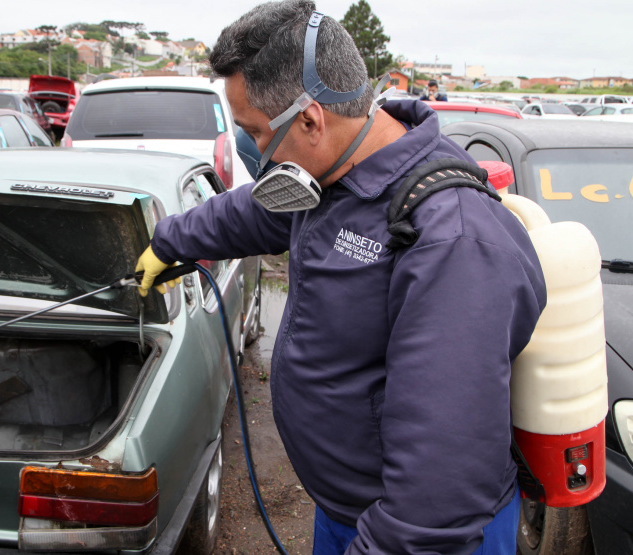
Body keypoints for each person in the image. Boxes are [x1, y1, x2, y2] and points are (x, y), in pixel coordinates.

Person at [134, 1, 546, 554]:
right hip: (345, 513)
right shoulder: (330, 171)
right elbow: (256, 212)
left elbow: (438, 487)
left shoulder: (452, 240)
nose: (254, 150)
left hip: (411, 537)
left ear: (310, 118)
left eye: (255, 132)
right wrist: (171, 241)